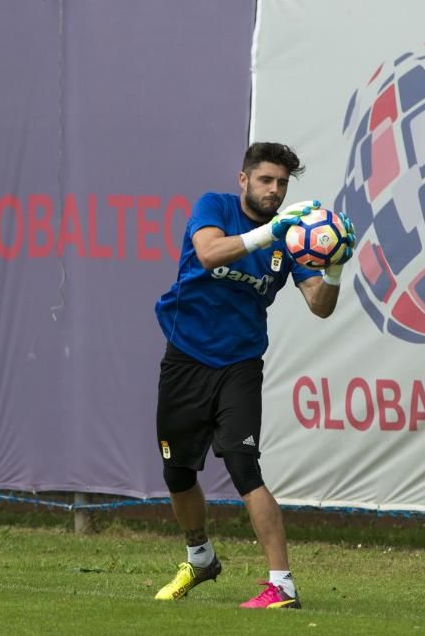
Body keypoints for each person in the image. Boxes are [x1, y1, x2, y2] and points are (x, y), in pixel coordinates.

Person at [151, 142, 355, 609]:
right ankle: (199, 557)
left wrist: (336, 266)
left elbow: (319, 307)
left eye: (282, 183)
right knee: (177, 470)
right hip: (186, 356)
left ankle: (281, 586)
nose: (275, 190)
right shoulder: (215, 207)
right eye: (266, 180)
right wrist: (268, 234)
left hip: (240, 364)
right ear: (243, 180)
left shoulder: (292, 239)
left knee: (244, 466)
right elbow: (208, 254)